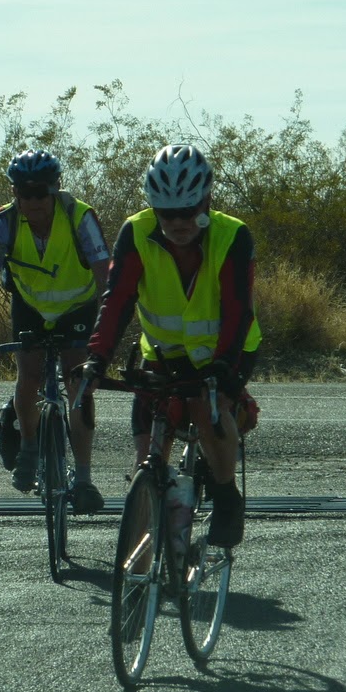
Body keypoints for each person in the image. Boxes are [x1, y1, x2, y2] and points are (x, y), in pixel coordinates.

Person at [83, 143, 260, 548]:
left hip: (227, 350)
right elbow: (117, 300)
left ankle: (226, 496)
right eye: (167, 212)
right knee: (148, 457)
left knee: (205, 405)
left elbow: (238, 309)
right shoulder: (136, 231)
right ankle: (145, 561)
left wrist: (223, 369)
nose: (177, 221)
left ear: (206, 200)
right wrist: (97, 357)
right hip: (163, 353)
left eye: (187, 211)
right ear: (153, 206)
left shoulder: (233, 235)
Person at [0, 149, 111, 513]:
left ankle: (83, 479)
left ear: (55, 189)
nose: (32, 201)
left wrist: (104, 337)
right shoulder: (2, 223)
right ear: (15, 193)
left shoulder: (80, 217)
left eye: (40, 192)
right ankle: (30, 445)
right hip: (30, 307)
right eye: (23, 193)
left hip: (78, 306)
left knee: (78, 384)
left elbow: (104, 275)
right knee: (29, 377)